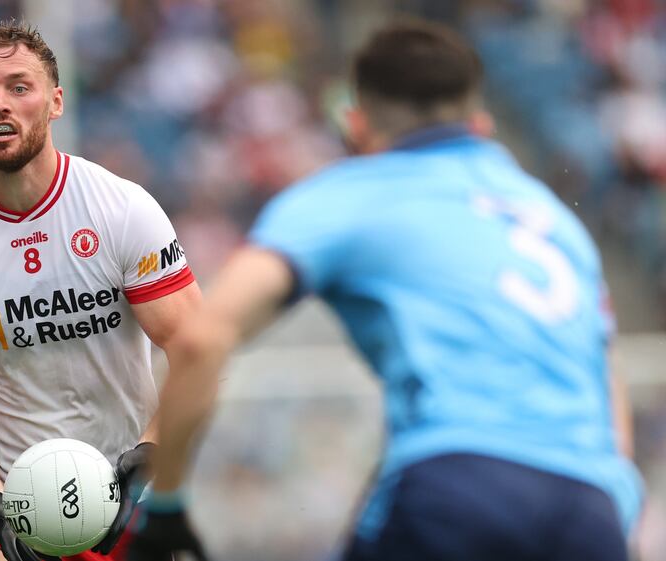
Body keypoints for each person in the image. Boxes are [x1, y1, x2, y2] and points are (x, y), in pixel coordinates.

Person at [127, 18, 644, 561]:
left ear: (355, 124)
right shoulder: (553, 219)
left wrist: (166, 505)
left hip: (459, 482)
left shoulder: (347, 196)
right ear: (481, 124)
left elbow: (201, 340)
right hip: (591, 505)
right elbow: (604, 377)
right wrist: (613, 509)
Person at [0, 20, 200, 561]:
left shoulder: (122, 211)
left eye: (19, 87)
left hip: (120, 484)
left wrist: (149, 455)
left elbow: (196, 351)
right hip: (2, 484)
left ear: (56, 102)